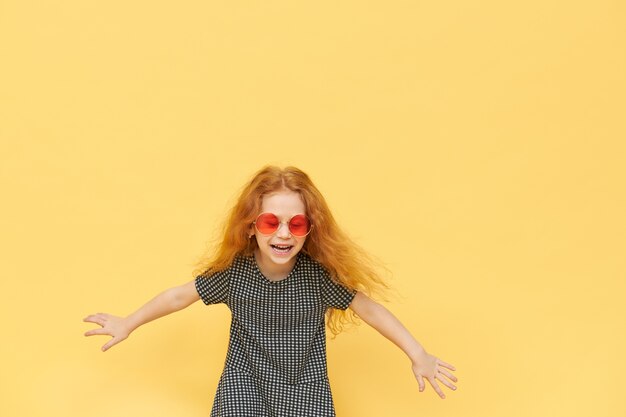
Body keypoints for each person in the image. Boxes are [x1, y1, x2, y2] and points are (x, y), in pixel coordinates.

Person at [83, 166, 457, 416]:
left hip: (305, 385)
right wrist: (128, 322)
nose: (282, 234)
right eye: (269, 222)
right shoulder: (234, 275)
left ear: (310, 229)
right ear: (250, 227)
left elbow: (369, 309)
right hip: (244, 380)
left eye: (296, 224)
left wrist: (417, 352)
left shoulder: (318, 277)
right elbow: (180, 296)